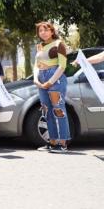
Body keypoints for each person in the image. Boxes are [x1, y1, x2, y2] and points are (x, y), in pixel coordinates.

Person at [33, 21, 70, 153]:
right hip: (41, 79)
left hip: (56, 79)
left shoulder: (59, 44)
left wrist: (50, 81)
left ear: (52, 31)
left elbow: (62, 66)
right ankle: (53, 142)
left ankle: (63, 143)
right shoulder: (39, 46)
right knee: (47, 111)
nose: (43, 33)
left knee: (58, 110)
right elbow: (37, 65)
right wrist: (35, 78)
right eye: (40, 31)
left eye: (46, 30)